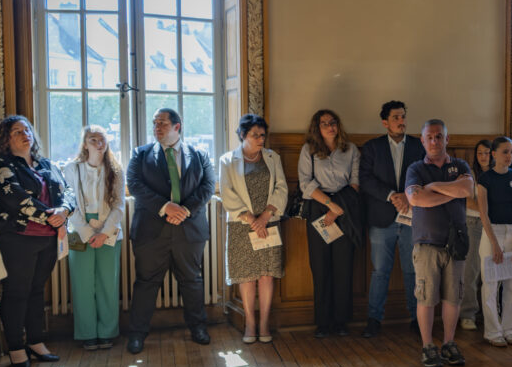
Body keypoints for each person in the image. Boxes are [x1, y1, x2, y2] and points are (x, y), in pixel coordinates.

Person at [0, 116, 74, 367]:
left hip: (48, 238)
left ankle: (36, 342)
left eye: (27, 130)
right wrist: (51, 216)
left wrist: (64, 211)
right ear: (5, 139)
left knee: (37, 290)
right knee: (16, 292)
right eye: (17, 131)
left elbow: (68, 191)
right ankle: (16, 347)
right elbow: (15, 198)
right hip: (17, 238)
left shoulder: (46, 164)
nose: (25, 134)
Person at [126, 108, 215, 354]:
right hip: (151, 231)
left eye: (163, 123)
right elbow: (135, 185)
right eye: (155, 123)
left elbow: (208, 186)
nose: (157, 127)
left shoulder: (200, 155)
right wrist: (166, 207)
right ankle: (137, 334)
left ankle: (198, 328)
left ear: (178, 126)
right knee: (146, 282)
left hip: (189, 230)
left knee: (192, 281)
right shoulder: (140, 154)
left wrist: (185, 210)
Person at [405, 119, 473, 367]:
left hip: (456, 242)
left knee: (453, 297)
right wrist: (450, 192)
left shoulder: (460, 165)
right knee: (426, 297)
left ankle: (448, 343)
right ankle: (428, 346)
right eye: (430, 137)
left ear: (447, 139)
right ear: (422, 141)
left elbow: (467, 190)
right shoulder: (415, 168)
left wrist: (433, 188)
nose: (434, 141)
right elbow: (416, 199)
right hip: (426, 243)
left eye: (439, 136)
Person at [358, 101, 426, 338]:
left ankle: (417, 319)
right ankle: (374, 319)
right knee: (380, 272)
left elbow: (426, 175)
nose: (401, 121)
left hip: (412, 217)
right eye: (396, 117)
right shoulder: (372, 147)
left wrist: (409, 196)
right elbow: (365, 179)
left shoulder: (419, 146)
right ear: (385, 122)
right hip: (381, 218)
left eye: (403, 116)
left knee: (412, 271)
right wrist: (392, 196)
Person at [218, 114, 288, 344]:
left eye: (262, 135)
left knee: (267, 275)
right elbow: (227, 193)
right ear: (242, 135)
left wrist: (265, 216)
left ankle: (264, 323)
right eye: (254, 135)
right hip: (242, 225)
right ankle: (249, 323)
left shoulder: (272, 157)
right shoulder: (227, 160)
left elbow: (281, 188)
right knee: (247, 276)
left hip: (269, 223)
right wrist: (252, 219)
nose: (260, 139)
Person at [298, 108, 362, 338]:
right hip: (318, 209)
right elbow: (305, 184)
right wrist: (329, 205)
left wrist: (337, 209)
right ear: (317, 128)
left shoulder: (351, 149)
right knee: (321, 266)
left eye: (333, 122)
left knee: (343, 267)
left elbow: (355, 183)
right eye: (324, 123)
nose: (330, 126)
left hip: (345, 209)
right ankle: (323, 323)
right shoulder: (309, 150)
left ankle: (341, 321)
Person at [64, 125, 125, 351]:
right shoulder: (72, 168)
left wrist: (104, 233)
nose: (99, 144)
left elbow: (119, 205)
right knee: (82, 283)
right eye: (93, 140)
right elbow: (69, 204)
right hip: (79, 229)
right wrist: (89, 234)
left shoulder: (115, 170)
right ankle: (87, 333)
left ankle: (107, 332)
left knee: (108, 282)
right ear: (84, 144)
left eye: (102, 140)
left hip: (109, 229)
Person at [476, 136, 512, 346]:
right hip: (492, 231)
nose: (509, 156)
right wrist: (494, 244)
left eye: (511, 152)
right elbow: (483, 213)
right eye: (505, 152)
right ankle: (492, 331)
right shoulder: (485, 178)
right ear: (493, 154)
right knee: (490, 284)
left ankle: (509, 328)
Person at [459, 139, 492, 331]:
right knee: (470, 270)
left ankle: (490, 313)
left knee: (491, 270)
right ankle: (468, 314)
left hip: (494, 225)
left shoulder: (498, 173)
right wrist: (490, 209)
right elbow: (467, 201)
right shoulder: (469, 175)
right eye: (480, 153)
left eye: (487, 152)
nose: (483, 156)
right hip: (473, 223)